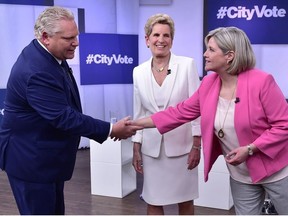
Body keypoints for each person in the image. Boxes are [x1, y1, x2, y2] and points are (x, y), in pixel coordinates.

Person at [0, 6, 142, 215]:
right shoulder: (36, 71)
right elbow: (63, 117)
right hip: (31, 163)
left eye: (76, 36)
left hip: (45, 159)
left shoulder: (48, 55)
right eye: (69, 38)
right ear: (46, 36)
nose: (76, 42)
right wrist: (111, 129)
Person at [131, 26, 288, 215]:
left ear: (229, 56)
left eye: (211, 50)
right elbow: (178, 113)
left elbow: (283, 125)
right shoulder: (208, 83)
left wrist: (250, 149)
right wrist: (134, 124)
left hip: (278, 172)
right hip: (241, 176)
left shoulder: (262, 81)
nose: (205, 54)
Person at [132, 13, 201, 215]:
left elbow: (197, 108)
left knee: (185, 201)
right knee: (153, 200)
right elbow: (139, 111)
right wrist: (136, 146)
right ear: (147, 39)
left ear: (172, 40)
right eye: (155, 35)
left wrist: (197, 144)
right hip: (152, 150)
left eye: (166, 35)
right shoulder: (138, 71)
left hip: (183, 147)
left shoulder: (187, 65)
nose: (161, 40)